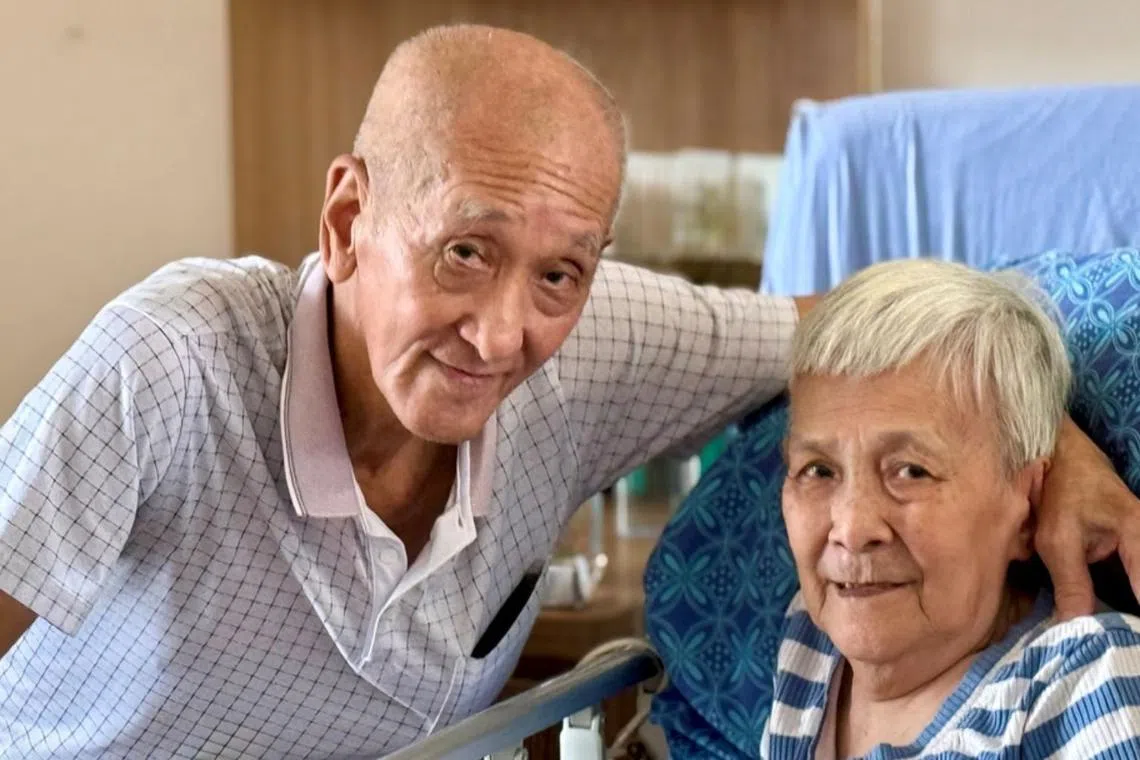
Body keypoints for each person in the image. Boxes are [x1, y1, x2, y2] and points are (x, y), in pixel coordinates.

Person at [0, 24, 1136, 760]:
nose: (505, 335)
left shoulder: (594, 340)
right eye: (464, 251)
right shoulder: (167, 363)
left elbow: (883, 340)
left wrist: (1045, 436)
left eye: (560, 272)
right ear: (346, 221)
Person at [763, 259, 1140, 759]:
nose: (851, 529)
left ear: (1027, 509)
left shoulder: (1088, 688)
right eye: (818, 470)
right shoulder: (811, 643)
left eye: (912, 471)